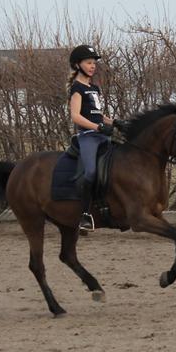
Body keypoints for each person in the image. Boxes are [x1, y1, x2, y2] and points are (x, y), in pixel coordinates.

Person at [67, 44, 115, 232]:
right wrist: (98, 127)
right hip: (88, 137)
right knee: (90, 173)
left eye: (94, 63)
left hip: (101, 134)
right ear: (78, 65)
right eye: (89, 62)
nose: (93, 66)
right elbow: (76, 116)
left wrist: (115, 122)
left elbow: (97, 114)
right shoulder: (77, 88)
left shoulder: (94, 88)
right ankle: (85, 216)